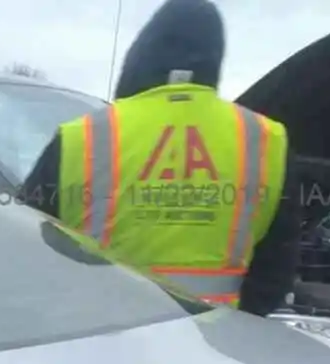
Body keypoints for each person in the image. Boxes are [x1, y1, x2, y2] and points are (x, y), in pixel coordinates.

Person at [20, 0, 300, 315]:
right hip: (216, 346)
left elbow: (26, 249)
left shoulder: (82, 135)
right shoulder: (264, 138)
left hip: (98, 339)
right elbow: (275, 272)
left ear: (143, 55)